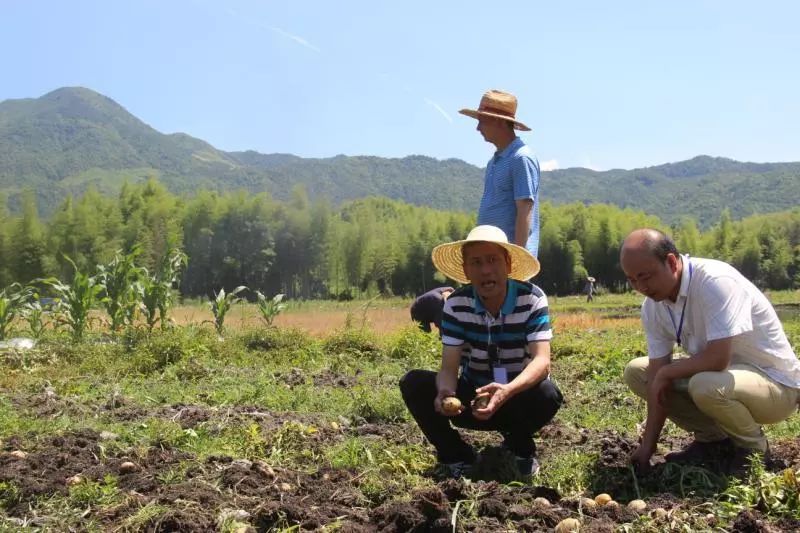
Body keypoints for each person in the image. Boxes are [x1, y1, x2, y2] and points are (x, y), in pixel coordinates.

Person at [620, 228, 800, 475]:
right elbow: (656, 374)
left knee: (704, 384)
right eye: (632, 280)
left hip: (776, 386)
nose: (641, 287)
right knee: (638, 373)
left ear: (671, 262)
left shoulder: (714, 281)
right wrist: (647, 447)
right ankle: (712, 440)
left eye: (645, 276)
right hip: (726, 380)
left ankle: (755, 454)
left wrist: (666, 373)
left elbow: (717, 358)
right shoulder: (654, 306)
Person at [399, 225, 563, 479]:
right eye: (476, 262)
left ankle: (519, 448)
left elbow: (542, 361)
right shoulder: (456, 304)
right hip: (472, 401)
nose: (486, 270)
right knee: (414, 383)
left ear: (508, 264)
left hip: (516, 399)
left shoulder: (531, 299)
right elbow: (449, 367)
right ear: (466, 270)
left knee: (547, 393)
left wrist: (507, 391)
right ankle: (456, 455)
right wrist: (445, 391)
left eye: (493, 260)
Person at [459, 90, 542, 257]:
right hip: (492, 258)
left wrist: (517, 259)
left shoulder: (521, 158)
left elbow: (524, 211)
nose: (478, 128)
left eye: (482, 121)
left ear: (498, 121)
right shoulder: (494, 162)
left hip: (508, 260)